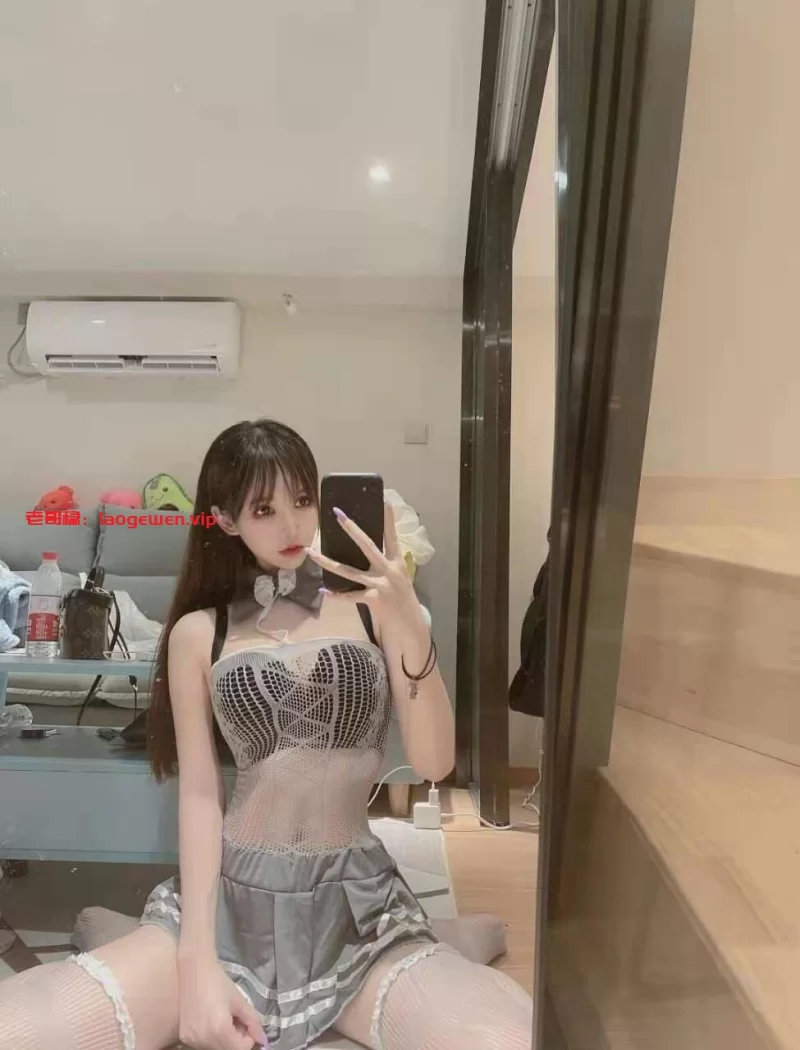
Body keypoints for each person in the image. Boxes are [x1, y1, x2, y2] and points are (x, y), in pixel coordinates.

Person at [0, 419, 533, 1050]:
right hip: (231, 902)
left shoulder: (374, 609)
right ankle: (141, 936)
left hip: (356, 912)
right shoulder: (200, 632)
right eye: (263, 509)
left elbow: (435, 762)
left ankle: (442, 940)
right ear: (227, 520)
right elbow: (201, 795)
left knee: (505, 1038)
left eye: (303, 500)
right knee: (23, 1028)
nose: (291, 525)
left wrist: (411, 625)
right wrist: (197, 961)